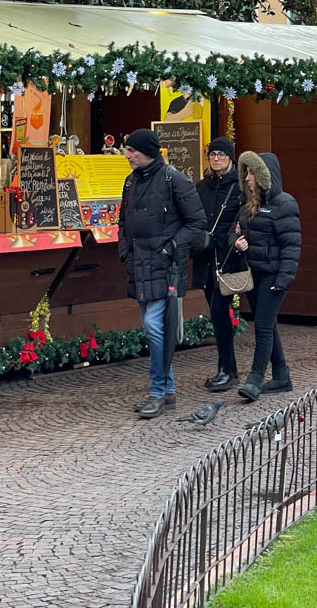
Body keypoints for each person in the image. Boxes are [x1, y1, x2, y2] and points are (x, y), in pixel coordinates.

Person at [118, 128, 206, 419]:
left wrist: (171, 247)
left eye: (132, 150)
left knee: (154, 327)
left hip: (165, 266)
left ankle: (157, 392)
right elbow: (123, 221)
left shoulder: (174, 179)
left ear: (147, 151)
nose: (127, 155)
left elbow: (197, 222)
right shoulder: (130, 181)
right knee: (155, 329)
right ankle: (167, 391)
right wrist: (125, 250)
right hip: (139, 264)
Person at [232, 151, 301, 402]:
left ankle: (255, 379)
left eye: (252, 173)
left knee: (262, 326)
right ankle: (281, 376)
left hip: (273, 276)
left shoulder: (285, 204)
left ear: (264, 175)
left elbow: (291, 246)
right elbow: (234, 231)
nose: (247, 178)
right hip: (254, 274)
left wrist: (283, 281)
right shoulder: (248, 205)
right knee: (268, 324)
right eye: (246, 172)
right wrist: (237, 241)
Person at [193, 137, 244, 392]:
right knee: (217, 313)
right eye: (212, 154)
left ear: (230, 158)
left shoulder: (239, 186)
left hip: (229, 258)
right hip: (206, 258)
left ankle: (228, 371)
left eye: (221, 155)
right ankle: (226, 369)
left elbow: (244, 218)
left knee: (219, 310)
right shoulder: (202, 186)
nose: (216, 159)